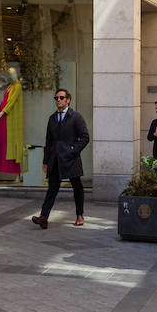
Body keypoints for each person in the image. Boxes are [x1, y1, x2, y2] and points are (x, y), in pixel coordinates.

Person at [32, 88, 91, 228]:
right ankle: (44, 217)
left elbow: (85, 138)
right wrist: (45, 161)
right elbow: (48, 141)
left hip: (71, 159)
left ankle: (79, 215)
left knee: (77, 187)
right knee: (52, 188)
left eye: (61, 97)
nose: (58, 100)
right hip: (55, 159)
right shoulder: (52, 118)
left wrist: (72, 150)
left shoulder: (76, 117)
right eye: (56, 98)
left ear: (68, 99)